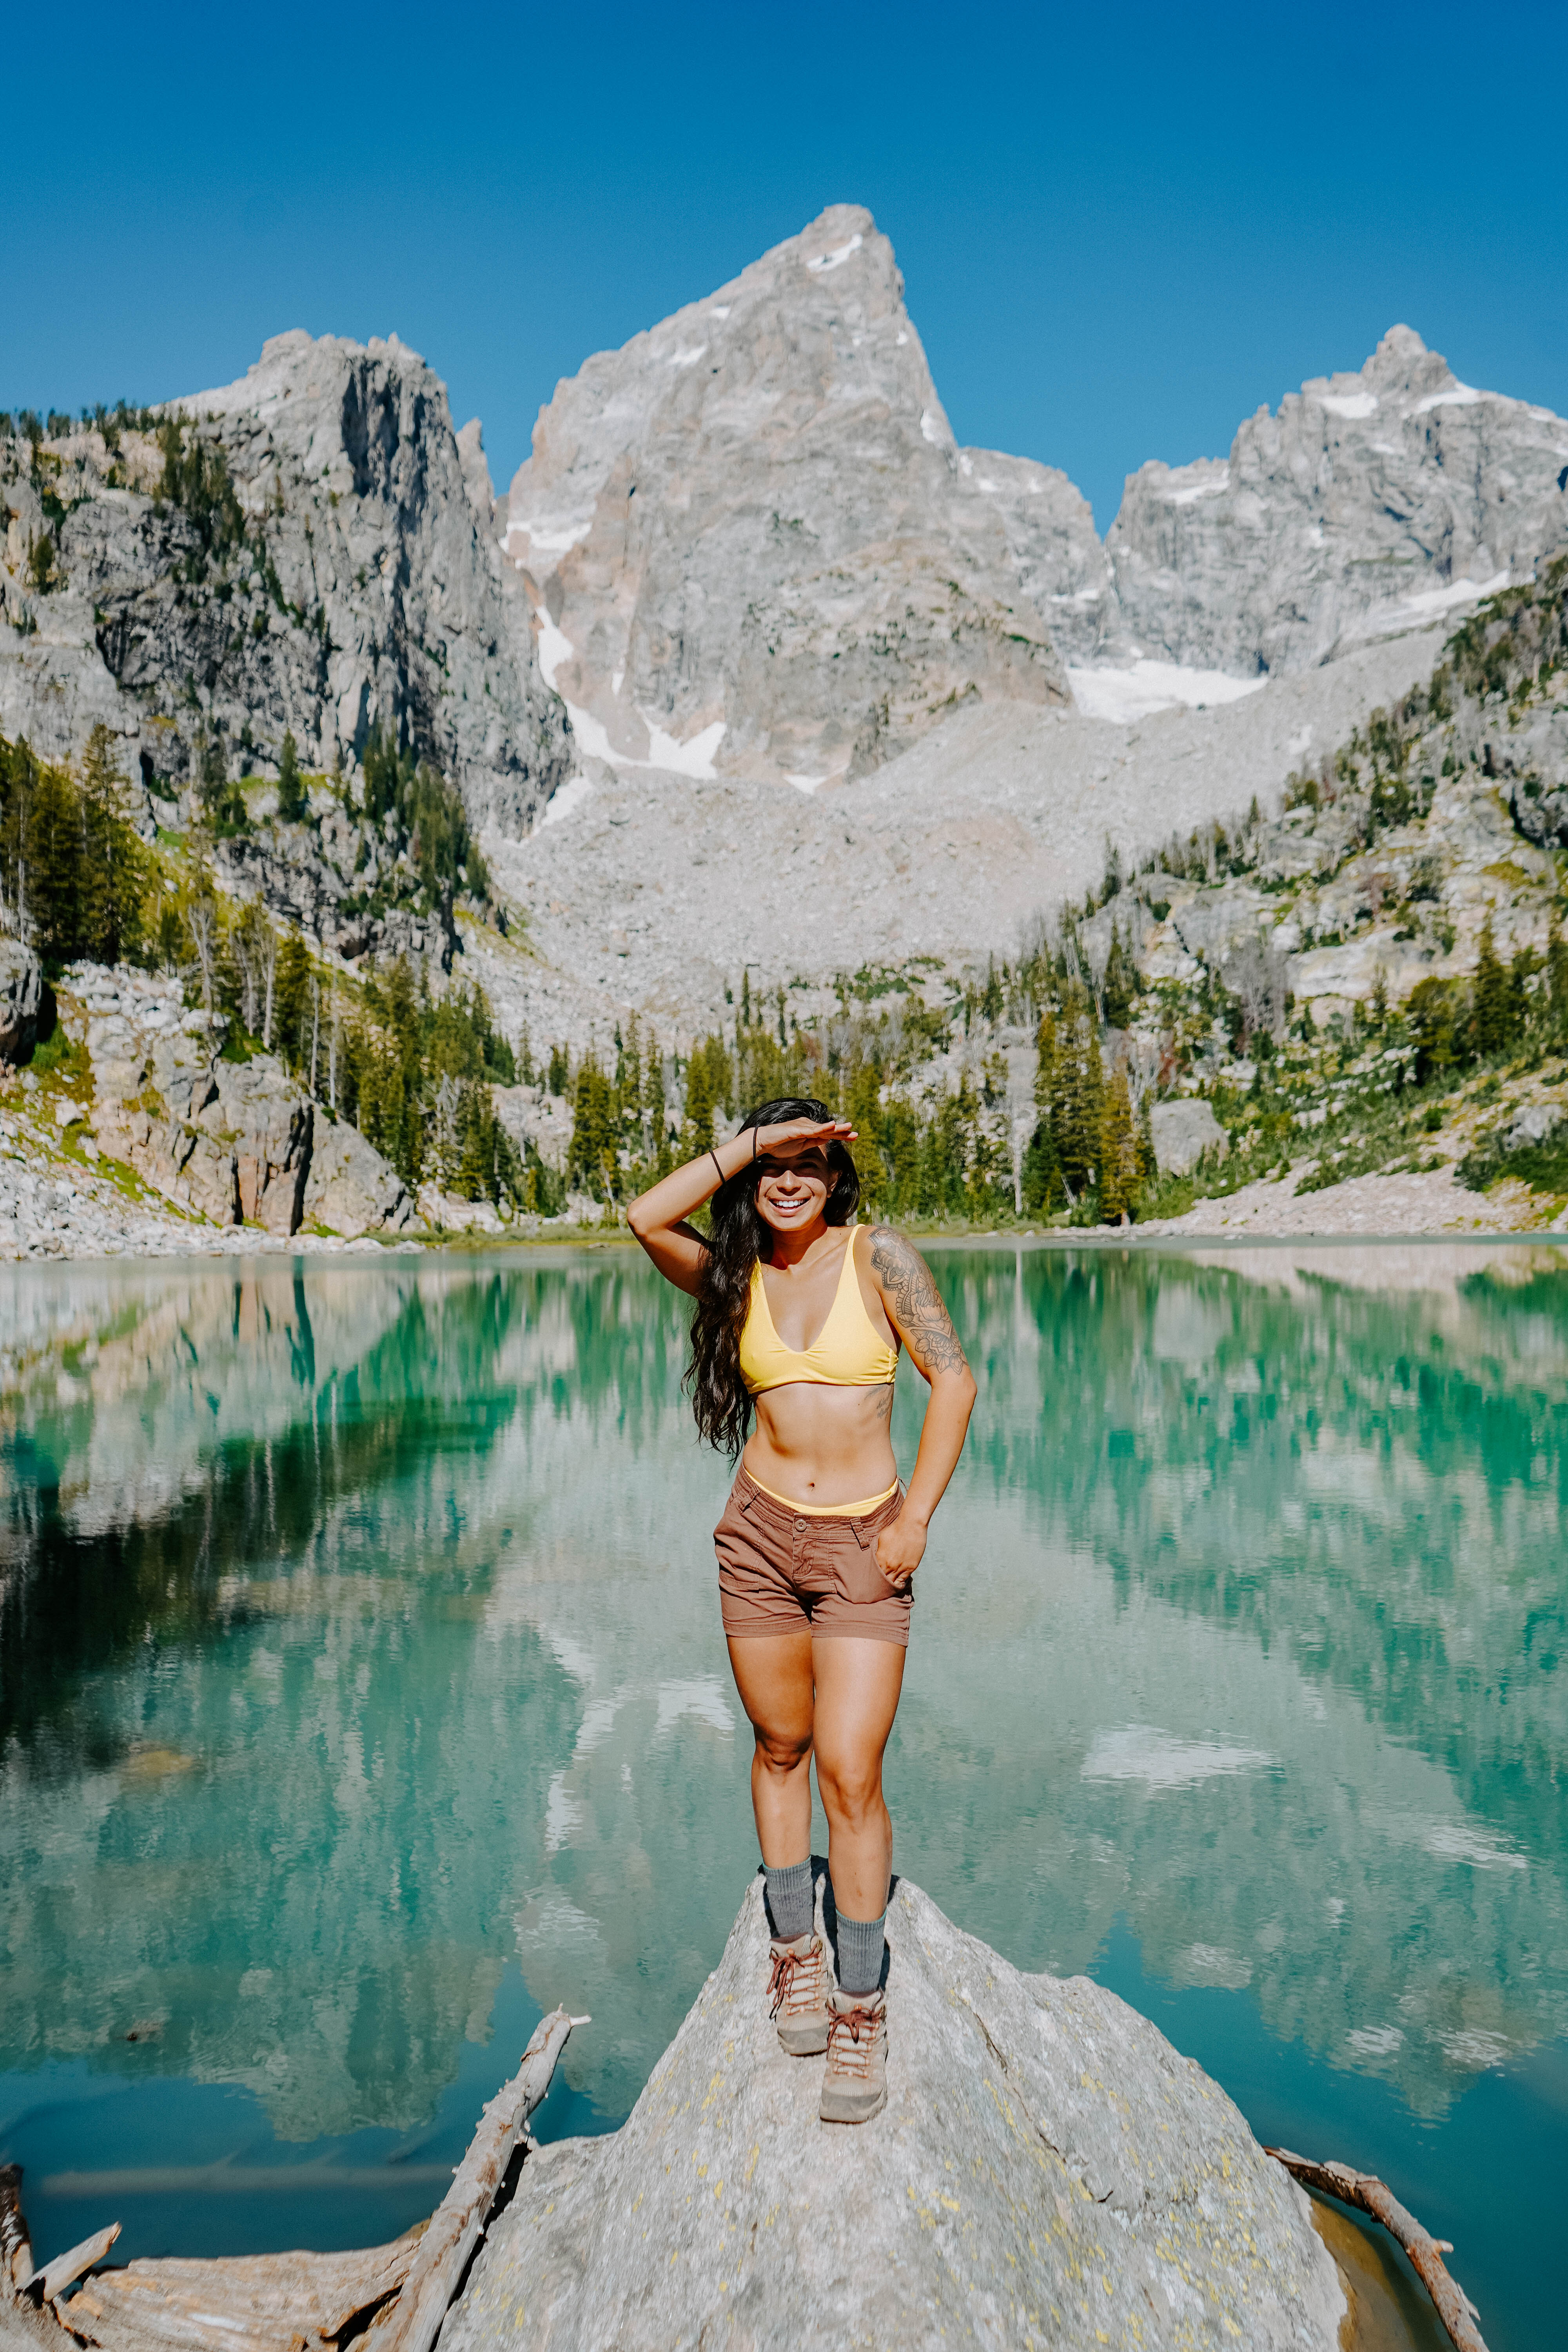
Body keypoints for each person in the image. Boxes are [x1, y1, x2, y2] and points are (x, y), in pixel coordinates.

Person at [628, 1097, 976, 2122]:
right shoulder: (733, 1277)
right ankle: (794, 1951)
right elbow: (646, 1219)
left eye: (810, 1164)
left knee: (850, 1772)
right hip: (760, 1540)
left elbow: (952, 1383)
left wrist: (917, 1516)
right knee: (780, 1745)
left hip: (865, 1543)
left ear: (838, 1177)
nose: (790, 1183)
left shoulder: (881, 1259)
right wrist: (746, 1145)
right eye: (774, 1167)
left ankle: (861, 2007)